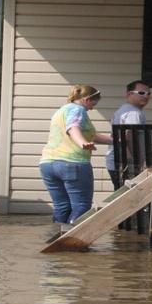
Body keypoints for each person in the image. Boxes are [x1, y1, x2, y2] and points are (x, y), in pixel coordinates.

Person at [39, 84, 113, 238]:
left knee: (62, 207)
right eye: (93, 104)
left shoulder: (60, 111)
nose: (92, 108)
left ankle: (54, 240)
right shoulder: (77, 110)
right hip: (72, 164)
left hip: (48, 164)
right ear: (86, 100)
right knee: (81, 206)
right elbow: (73, 128)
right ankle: (70, 242)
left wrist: (117, 141)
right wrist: (82, 144)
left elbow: (93, 136)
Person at [105, 80, 152, 231]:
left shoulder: (124, 110)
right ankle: (129, 230)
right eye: (142, 93)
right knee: (129, 199)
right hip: (126, 163)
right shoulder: (133, 113)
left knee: (122, 196)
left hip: (116, 161)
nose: (146, 96)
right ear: (129, 94)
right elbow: (129, 136)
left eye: (149, 93)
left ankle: (122, 231)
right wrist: (138, 161)